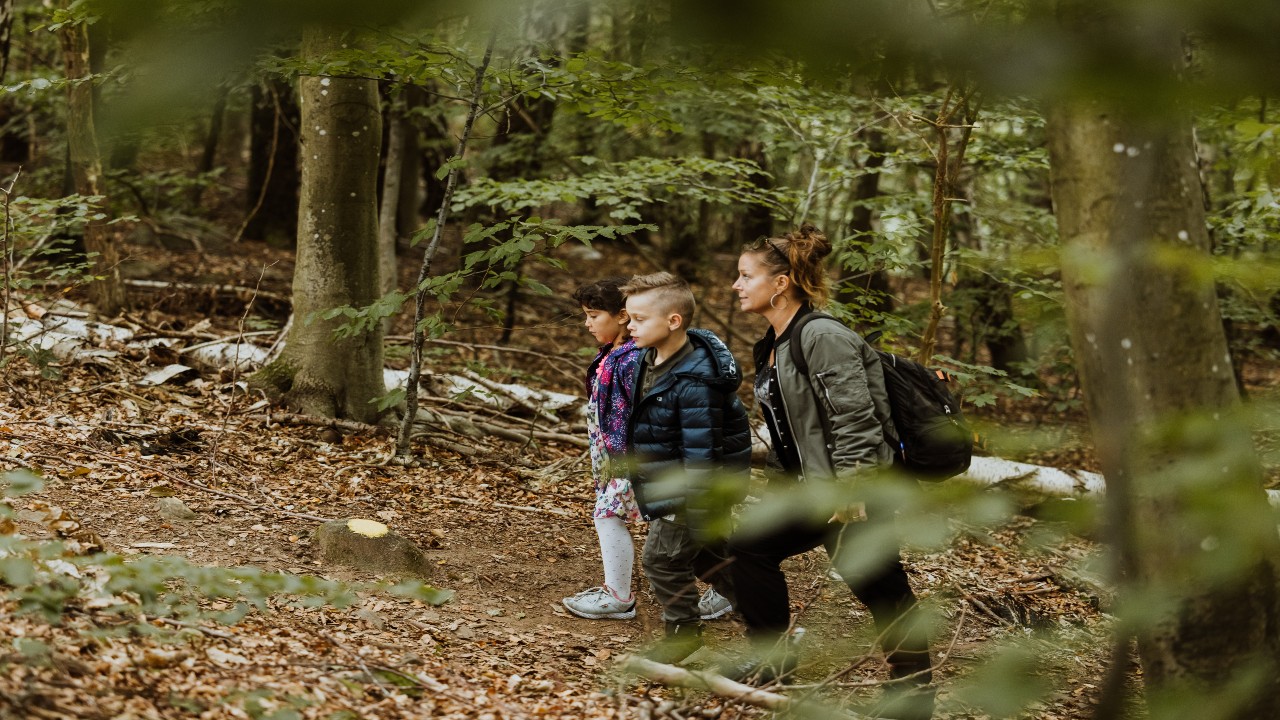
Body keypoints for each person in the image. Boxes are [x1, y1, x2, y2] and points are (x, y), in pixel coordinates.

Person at [726, 224, 934, 719]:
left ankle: (914, 693)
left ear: (780, 283)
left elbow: (855, 415)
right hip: (809, 488)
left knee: (876, 582)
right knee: (752, 547)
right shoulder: (773, 343)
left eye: (745, 275)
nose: (736, 285)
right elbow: (790, 429)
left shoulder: (821, 335)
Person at [622, 271, 749, 662]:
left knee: (660, 559)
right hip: (670, 481)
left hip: (693, 488)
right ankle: (767, 618)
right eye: (628, 318)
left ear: (673, 321)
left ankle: (683, 636)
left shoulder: (696, 381)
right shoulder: (650, 358)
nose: (629, 327)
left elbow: (701, 451)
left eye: (639, 319)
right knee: (709, 558)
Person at [561, 278, 646, 620]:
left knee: (608, 514)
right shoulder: (610, 354)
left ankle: (618, 597)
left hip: (631, 457)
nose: (587, 323)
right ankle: (731, 588)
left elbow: (641, 413)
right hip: (610, 455)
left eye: (594, 315)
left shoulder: (632, 359)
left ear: (623, 316)